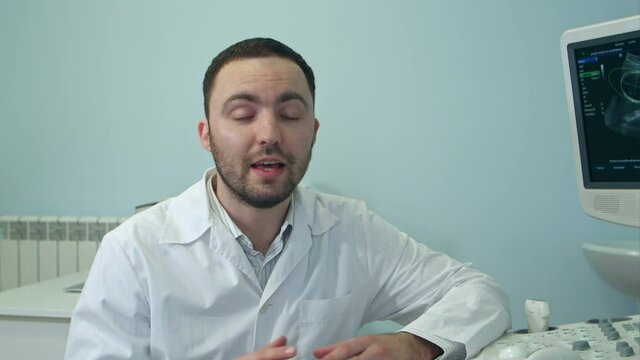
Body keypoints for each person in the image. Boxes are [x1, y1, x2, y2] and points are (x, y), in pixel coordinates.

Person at [65, 38, 511, 360]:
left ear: (313, 131)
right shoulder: (133, 251)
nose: (270, 135)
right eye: (243, 115)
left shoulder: (352, 228)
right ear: (206, 135)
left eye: (290, 115)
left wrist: (415, 344)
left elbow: (480, 294)